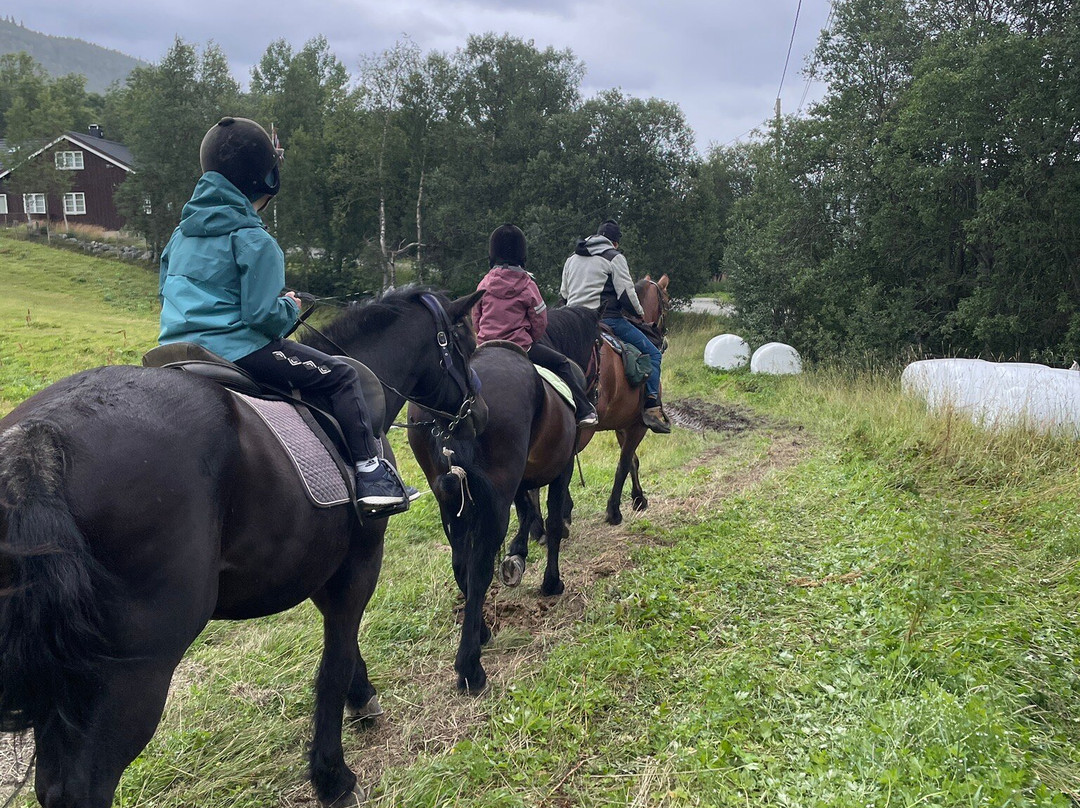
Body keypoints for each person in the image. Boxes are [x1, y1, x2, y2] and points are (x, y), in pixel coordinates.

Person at [158, 116, 416, 516]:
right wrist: (290, 306)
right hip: (239, 352)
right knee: (343, 377)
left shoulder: (180, 235)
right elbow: (262, 316)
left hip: (175, 351)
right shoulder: (254, 240)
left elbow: (167, 290)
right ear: (265, 181)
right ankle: (372, 475)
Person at [473, 224, 598, 427]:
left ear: (492, 254)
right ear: (522, 255)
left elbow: (475, 316)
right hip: (521, 347)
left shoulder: (484, 283)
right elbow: (540, 320)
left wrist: (484, 335)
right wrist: (531, 336)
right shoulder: (527, 284)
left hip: (486, 346)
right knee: (563, 364)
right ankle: (584, 410)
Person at [559, 219, 670, 433]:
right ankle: (652, 408)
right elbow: (627, 295)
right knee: (654, 354)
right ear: (615, 243)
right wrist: (639, 314)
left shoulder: (572, 258)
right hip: (606, 319)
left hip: (571, 321)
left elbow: (563, 295)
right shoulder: (614, 257)